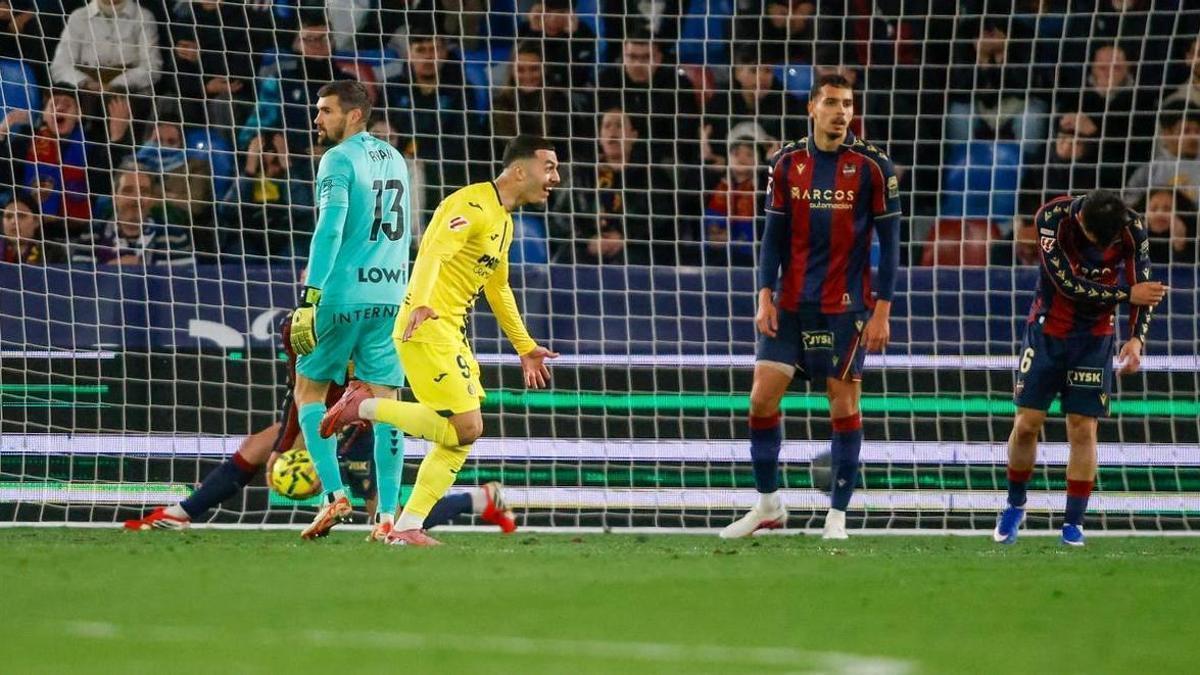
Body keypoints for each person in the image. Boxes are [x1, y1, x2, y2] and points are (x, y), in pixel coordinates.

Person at [319, 134, 561, 547]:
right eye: (549, 167)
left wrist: (524, 346)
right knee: (467, 426)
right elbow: (434, 253)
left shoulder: (503, 221)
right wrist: (422, 302)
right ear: (521, 170)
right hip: (426, 327)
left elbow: (498, 288)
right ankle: (364, 405)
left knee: (458, 438)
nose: (555, 177)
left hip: (448, 331)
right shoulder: (471, 204)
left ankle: (409, 524)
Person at [123, 312, 516, 534]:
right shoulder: (301, 329)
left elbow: (385, 395)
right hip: (324, 411)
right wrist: (287, 446)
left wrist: (346, 429)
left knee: (384, 512)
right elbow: (299, 397)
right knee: (260, 446)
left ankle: (479, 499)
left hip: (367, 414)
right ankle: (181, 513)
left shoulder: (375, 321)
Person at [719, 73, 901, 541]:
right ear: (813, 109)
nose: (842, 112)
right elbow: (773, 236)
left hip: (846, 307)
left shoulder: (873, 166)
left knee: (843, 405)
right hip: (791, 304)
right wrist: (763, 294)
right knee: (761, 397)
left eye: (848, 104)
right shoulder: (785, 163)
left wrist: (882, 309)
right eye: (833, 103)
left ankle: (837, 517)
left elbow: (891, 243)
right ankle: (768, 505)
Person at [994, 190, 1167, 547]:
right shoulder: (1051, 219)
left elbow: (1144, 287)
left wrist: (1136, 339)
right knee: (1026, 425)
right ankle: (1014, 504)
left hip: (1094, 339)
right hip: (1047, 332)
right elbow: (1067, 285)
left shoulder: (1131, 228)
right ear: (1082, 222)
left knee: (1083, 429)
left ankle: (1073, 523)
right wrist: (1124, 295)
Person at [286, 80, 413, 542]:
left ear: (355, 115)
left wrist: (310, 298)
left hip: (341, 296)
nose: (317, 119)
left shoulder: (336, 160)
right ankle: (387, 519)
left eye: (325, 111)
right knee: (387, 407)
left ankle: (334, 494)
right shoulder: (395, 158)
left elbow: (329, 229)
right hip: (391, 296)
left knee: (309, 391)